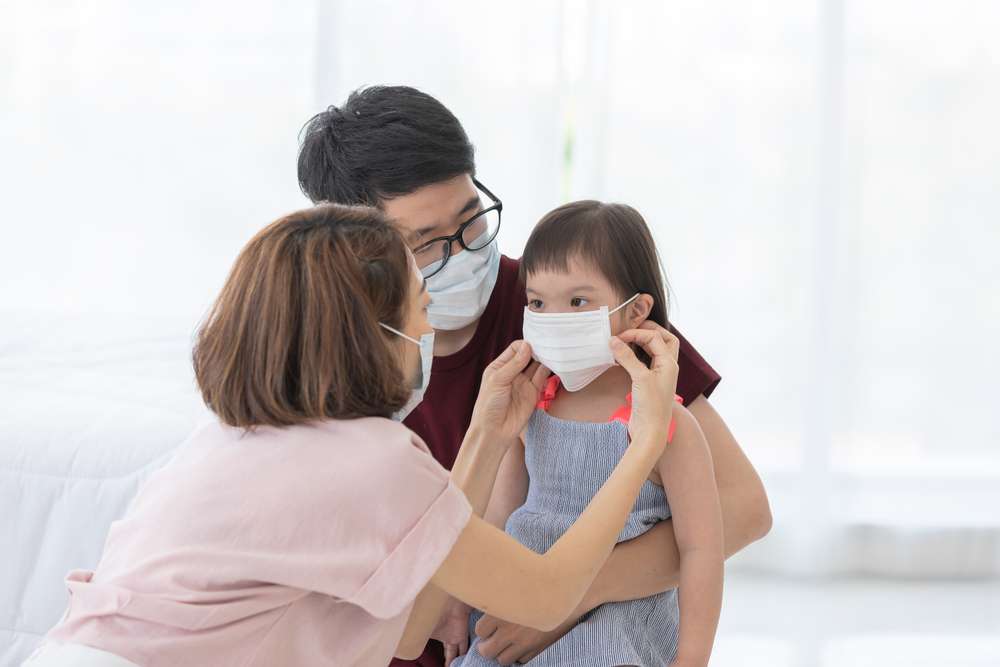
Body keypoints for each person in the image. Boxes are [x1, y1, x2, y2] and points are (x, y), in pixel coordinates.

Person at [27, 205, 681, 667]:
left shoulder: (227, 441)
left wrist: (484, 436)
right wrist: (645, 442)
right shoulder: (373, 460)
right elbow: (545, 595)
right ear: (373, 335)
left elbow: (405, 630)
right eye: (421, 316)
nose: (428, 336)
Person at [297, 85, 771, 666]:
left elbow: (743, 508)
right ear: (352, 253)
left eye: (473, 222)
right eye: (423, 244)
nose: (465, 254)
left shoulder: (571, 308)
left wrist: (561, 593)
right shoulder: (330, 364)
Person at [457, 201, 723, 667]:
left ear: (637, 310)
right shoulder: (532, 404)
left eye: (577, 302)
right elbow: (497, 520)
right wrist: (460, 600)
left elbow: (701, 549)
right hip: (519, 606)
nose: (553, 318)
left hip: (613, 624)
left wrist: (692, 660)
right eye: (537, 302)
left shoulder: (667, 424)